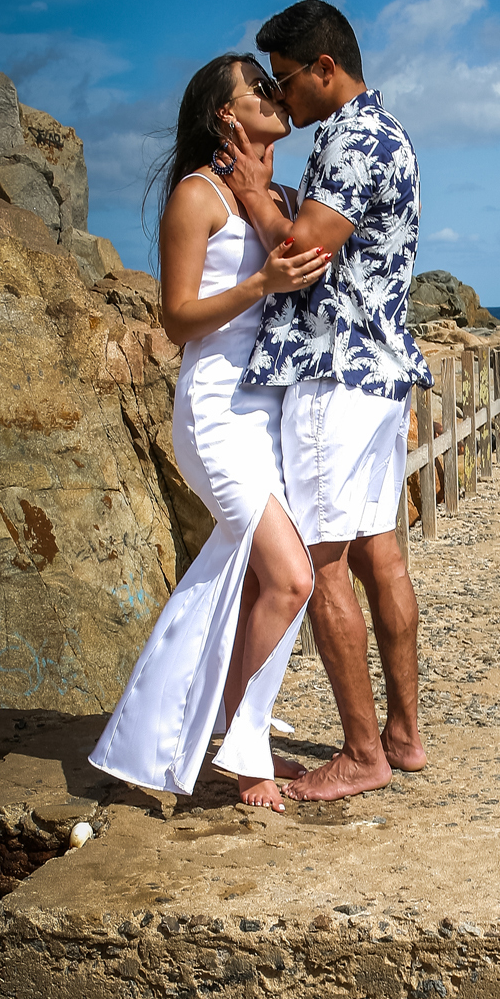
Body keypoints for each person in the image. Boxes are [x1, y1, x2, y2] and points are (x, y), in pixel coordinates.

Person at [90, 53, 327, 810]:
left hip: (270, 411)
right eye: (256, 88)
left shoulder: (274, 193)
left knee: (254, 578)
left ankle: (217, 726)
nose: (273, 94)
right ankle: (243, 745)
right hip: (216, 410)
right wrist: (260, 283)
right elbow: (176, 318)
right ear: (225, 114)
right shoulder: (196, 197)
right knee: (292, 577)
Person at [220, 0, 429, 803]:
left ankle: (362, 754)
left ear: (323, 70)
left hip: (335, 374)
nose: (282, 100)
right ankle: (403, 738)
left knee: (319, 562)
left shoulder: (349, 138)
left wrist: (249, 189)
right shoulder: (393, 133)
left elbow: (302, 251)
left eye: (286, 82)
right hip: (381, 373)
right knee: (382, 557)